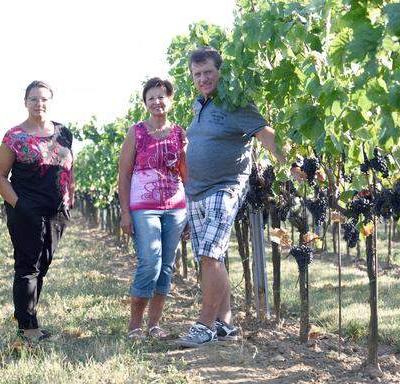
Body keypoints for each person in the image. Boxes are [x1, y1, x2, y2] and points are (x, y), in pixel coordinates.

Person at [177, 47, 294, 347]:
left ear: (220, 72)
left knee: (210, 255)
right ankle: (225, 323)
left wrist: (293, 163)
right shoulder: (198, 104)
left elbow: (265, 134)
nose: (203, 78)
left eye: (208, 72)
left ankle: (204, 324)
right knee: (208, 258)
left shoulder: (236, 103)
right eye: (197, 74)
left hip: (224, 187)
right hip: (197, 191)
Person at [0, 80, 74, 342]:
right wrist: (20, 205)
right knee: (27, 266)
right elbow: (0, 177)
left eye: (44, 99)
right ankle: (27, 329)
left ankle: (27, 320)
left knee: (43, 265)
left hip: (56, 211)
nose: (39, 103)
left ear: (51, 102)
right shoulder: (14, 136)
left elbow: (67, 169)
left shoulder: (64, 133)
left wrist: (68, 201)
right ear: (25, 102)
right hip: (26, 208)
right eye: (34, 99)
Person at [118, 77, 188, 340]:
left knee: (167, 265)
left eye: (161, 96)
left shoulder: (180, 133)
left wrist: (189, 211)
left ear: (170, 99)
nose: (157, 101)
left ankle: (154, 325)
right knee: (150, 261)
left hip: (176, 207)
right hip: (143, 207)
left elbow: (185, 173)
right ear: (145, 103)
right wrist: (125, 212)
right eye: (151, 98)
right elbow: (124, 175)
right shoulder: (136, 132)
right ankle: (135, 325)